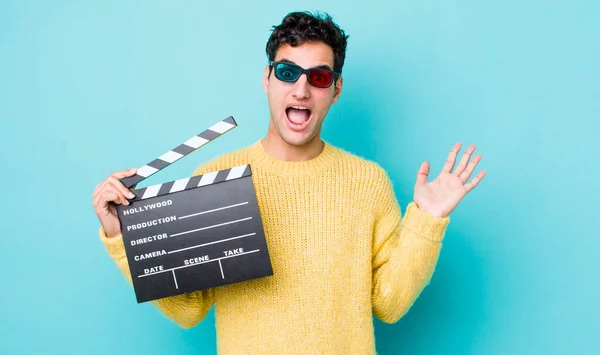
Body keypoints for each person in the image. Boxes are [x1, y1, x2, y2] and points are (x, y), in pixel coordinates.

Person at [92, 11, 486, 354]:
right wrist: (121, 237)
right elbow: (188, 308)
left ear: (336, 90)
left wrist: (426, 223)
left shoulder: (367, 183)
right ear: (267, 79)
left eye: (318, 77)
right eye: (287, 72)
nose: (301, 89)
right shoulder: (213, 181)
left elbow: (389, 303)